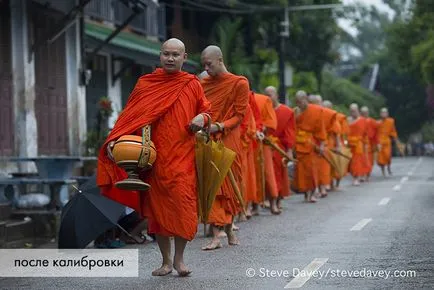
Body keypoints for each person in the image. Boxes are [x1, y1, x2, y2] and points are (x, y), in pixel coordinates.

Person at [97, 38, 211, 277]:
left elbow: (206, 111)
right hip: (153, 158)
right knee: (158, 212)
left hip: (183, 157)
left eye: (175, 55)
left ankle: (180, 261)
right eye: (166, 54)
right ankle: (166, 261)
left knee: (183, 206)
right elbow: (131, 116)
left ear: (184, 57)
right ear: (160, 56)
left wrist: (202, 119)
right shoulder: (146, 83)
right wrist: (117, 138)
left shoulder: (191, 84)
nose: (170, 58)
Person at [200, 45, 249, 250]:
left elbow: (239, 116)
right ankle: (215, 236)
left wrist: (219, 126)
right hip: (208, 140)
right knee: (212, 185)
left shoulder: (239, 83)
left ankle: (228, 229)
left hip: (229, 138)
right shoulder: (203, 84)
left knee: (231, 185)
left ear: (219, 60)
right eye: (203, 65)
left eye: (208, 64)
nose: (206, 68)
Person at [264, 86, 296, 209]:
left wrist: (288, 150)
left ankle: (277, 201)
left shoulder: (286, 112)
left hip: (279, 148)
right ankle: (268, 201)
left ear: (277, 95)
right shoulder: (263, 109)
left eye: (271, 94)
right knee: (266, 175)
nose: (269, 97)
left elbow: (289, 133)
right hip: (265, 146)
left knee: (278, 175)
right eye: (266, 94)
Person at [292, 91, 326, 203]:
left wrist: (321, 145)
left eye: (300, 102)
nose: (299, 104)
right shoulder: (295, 112)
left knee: (311, 171)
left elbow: (321, 130)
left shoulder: (316, 111)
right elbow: (292, 128)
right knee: (301, 172)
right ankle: (306, 193)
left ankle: (312, 193)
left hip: (310, 145)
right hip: (298, 145)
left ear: (306, 99)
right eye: (297, 102)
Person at [254, 92, 280, 214]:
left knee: (268, 173)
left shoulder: (264, 101)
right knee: (251, 175)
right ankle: (252, 206)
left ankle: (273, 203)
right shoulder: (238, 98)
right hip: (247, 142)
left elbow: (270, 122)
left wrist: (261, 129)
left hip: (262, 141)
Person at [347, 103, 368, 186]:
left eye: (354, 111)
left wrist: (365, 144)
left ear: (358, 111)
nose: (353, 113)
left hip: (358, 144)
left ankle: (357, 178)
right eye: (351, 111)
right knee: (351, 163)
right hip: (349, 144)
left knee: (357, 162)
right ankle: (355, 176)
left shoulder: (362, 120)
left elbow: (365, 134)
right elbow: (345, 132)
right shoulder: (348, 120)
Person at [376, 108, 398, 176]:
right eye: (382, 113)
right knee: (381, 158)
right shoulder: (377, 122)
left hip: (387, 141)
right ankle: (383, 172)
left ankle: (389, 168)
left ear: (387, 114)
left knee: (388, 156)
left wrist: (395, 138)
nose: (383, 114)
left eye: (385, 112)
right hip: (380, 142)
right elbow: (375, 133)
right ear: (380, 114)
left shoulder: (391, 121)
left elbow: (393, 131)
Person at [360, 106, 378, 181]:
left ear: (368, 113)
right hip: (361, 143)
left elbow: (376, 133)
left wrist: (377, 143)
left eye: (366, 113)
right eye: (363, 113)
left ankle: (367, 175)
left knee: (369, 161)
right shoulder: (359, 121)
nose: (365, 114)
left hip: (370, 144)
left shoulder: (372, 121)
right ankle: (362, 175)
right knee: (362, 160)